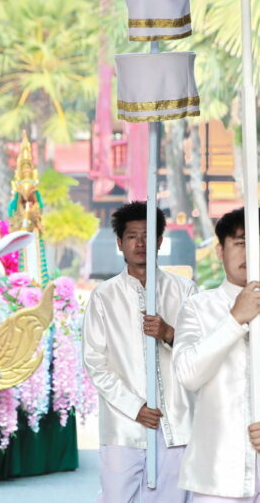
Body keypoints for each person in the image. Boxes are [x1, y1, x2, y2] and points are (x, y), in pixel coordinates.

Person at [82, 201, 195, 502]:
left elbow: (200, 351)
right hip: (123, 424)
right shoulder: (103, 296)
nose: (140, 243)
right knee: (117, 496)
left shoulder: (184, 291)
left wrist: (169, 333)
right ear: (120, 243)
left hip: (176, 423)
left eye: (148, 235)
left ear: (160, 240)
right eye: (132, 236)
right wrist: (134, 408)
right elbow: (95, 362)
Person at [174, 207, 260, 500]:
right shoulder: (198, 308)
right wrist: (235, 320)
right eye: (240, 243)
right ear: (220, 250)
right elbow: (187, 374)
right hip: (218, 475)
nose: (250, 252)